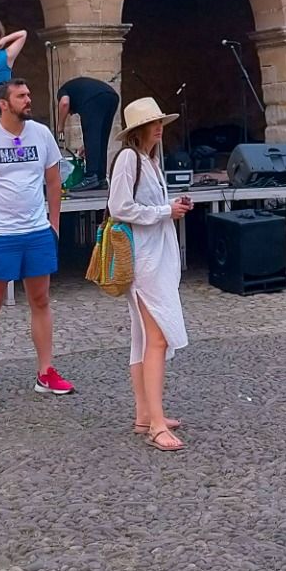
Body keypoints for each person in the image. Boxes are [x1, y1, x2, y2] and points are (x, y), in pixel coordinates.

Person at [0, 78, 74, 408]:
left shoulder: (41, 134)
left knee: (41, 299)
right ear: (3, 104)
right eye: (21, 96)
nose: (28, 99)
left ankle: (45, 372)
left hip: (37, 232)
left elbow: (53, 182)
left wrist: (53, 225)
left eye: (28, 94)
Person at [107, 97, 194, 451]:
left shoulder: (150, 160)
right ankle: (156, 423)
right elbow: (119, 206)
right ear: (138, 129)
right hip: (144, 260)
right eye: (152, 123)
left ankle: (146, 413)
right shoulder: (129, 159)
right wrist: (163, 211)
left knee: (144, 338)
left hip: (156, 256)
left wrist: (168, 209)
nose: (159, 127)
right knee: (156, 338)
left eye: (160, 122)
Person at [56, 74, 121, 188]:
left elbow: (64, 103)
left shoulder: (63, 90)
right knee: (101, 137)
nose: (71, 114)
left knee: (92, 135)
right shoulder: (78, 89)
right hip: (112, 96)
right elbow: (95, 136)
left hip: (93, 99)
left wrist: (60, 126)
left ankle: (91, 177)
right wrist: (87, 146)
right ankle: (101, 178)